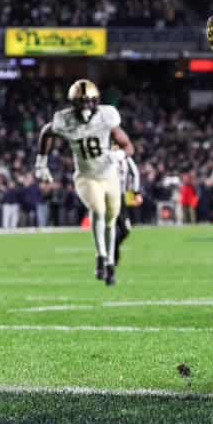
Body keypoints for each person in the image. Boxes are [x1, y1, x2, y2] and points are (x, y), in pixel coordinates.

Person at [35, 79, 135, 287]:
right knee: (97, 210)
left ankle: (110, 263)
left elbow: (128, 146)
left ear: (96, 101)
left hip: (109, 176)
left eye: (89, 102)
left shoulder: (107, 116)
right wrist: (41, 163)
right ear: (73, 103)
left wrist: (118, 156)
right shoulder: (65, 120)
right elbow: (46, 132)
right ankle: (100, 257)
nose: (86, 107)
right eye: (81, 102)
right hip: (86, 176)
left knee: (111, 220)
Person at [111, 148, 142, 266]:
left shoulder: (122, 156)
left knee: (124, 229)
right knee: (118, 227)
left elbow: (134, 173)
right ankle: (112, 256)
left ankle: (112, 251)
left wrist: (136, 192)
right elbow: (135, 173)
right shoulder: (108, 155)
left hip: (120, 195)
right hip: (111, 195)